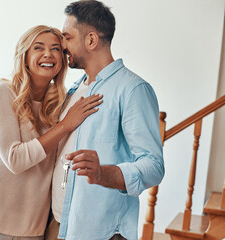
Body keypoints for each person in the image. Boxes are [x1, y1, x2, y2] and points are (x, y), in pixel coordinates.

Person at [0, 25, 103, 240]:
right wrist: (65, 125)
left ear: (62, 59)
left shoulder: (63, 103)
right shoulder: (4, 92)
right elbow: (15, 159)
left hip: (32, 227)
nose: (48, 54)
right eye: (39, 47)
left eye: (56, 49)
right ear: (25, 56)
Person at [45, 1, 165, 240]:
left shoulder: (133, 90)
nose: (62, 45)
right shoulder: (75, 89)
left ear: (91, 40)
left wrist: (102, 173)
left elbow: (153, 166)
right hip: (59, 224)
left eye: (67, 37)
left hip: (101, 233)